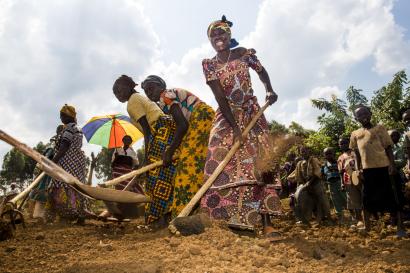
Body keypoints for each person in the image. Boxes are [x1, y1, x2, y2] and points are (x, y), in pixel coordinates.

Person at [199, 16, 282, 237]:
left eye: (221, 33)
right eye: (213, 35)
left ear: (229, 35)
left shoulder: (245, 54)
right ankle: (233, 219)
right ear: (209, 40)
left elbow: (261, 71)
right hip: (227, 117)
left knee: (260, 163)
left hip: (253, 113)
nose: (218, 38)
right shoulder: (209, 65)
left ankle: (267, 223)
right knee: (219, 160)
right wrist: (235, 128)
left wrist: (269, 89)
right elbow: (220, 98)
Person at [142, 75, 215, 218]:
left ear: (161, 86)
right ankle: (198, 209)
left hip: (201, 118)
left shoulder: (166, 95)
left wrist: (170, 151)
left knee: (187, 167)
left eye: (151, 88)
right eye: (146, 91)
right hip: (204, 118)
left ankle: (182, 214)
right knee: (198, 165)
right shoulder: (167, 100)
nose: (149, 93)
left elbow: (182, 125)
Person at [112, 75, 177, 225]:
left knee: (155, 178)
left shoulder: (132, 102)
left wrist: (147, 156)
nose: (118, 94)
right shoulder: (139, 98)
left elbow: (147, 130)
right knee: (166, 174)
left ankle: (158, 218)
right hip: (166, 130)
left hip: (160, 131)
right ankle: (167, 214)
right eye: (115, 93)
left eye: (119, 90)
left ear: (129, 87)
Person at [350, 105, 406, 236]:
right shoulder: (355, 134)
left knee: (393, 198)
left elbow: (388, 148)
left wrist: (392, 165)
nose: (363, 116)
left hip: (384, 168)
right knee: (367, 199)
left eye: (365, 112)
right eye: (359, 115)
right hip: (368, 171)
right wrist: (359, 170)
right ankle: (367, 227)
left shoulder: (380, 128)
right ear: (356, 118)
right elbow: (357, 154)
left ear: (370, 113)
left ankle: (400, 228)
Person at [45, 105, 93, 225]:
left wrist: (52, 162)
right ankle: (80, 215)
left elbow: (63, 148)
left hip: (67, 162)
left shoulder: (68, 129)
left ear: (69, 116)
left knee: (61, 185)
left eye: (63, 115)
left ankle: (66, 215)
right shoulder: (78, 129)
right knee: (76, 186)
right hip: (78, 163)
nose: (61, 117)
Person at [288, 146, 331, 225]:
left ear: (308, 152)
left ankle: (328, 218)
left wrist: (309, 183)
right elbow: (295, 175)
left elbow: (317, 173)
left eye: (304, 151)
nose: (303, 153)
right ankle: (310, 219)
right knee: (305, 200)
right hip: (306, 185)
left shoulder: (314, 160)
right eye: (302, 152)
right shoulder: (300, 163)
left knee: (322, 200)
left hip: (316, 183)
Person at [30, 125, 64, 221]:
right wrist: (41, 171)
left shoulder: (56, 143)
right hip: (46, 173)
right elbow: (45, 159)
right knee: (42, 194)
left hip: (49, 172)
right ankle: (38, 216)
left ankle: (42, 216)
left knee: (47, 195)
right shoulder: (53, 145)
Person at [337, 137, 363, 225]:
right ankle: (359, 219)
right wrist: (342, 183)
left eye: (344, 143)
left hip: (360, 177)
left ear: (348, 143)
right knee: (354, 199)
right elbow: (341, 172)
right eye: (340, 144)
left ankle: (373, 217)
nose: (342, 145)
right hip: (348, 179)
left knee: (364, 196)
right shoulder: (340, 158)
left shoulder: (356, 152)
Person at [322, 147, 347, 223]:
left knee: (345, 198)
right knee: (335, 201)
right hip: (331, 185)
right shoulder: (324, 165)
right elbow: (323, 176)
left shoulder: (339, 162)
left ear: (334, 154)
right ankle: (341, 218)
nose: (328, 155)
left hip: (340, 183)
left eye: (330, 153)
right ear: (324, 155)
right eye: (326, 154)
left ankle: (353, 215)